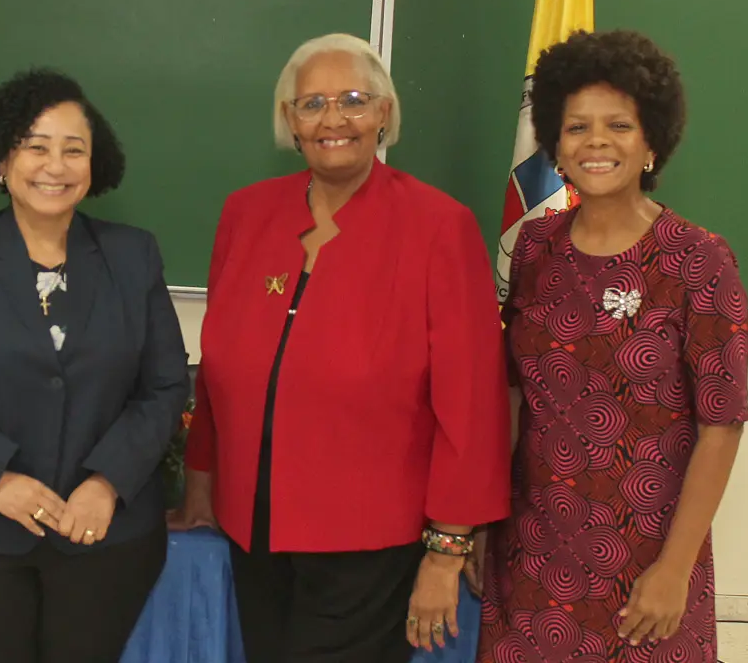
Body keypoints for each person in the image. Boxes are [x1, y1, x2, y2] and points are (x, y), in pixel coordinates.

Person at [170, 33, 512, 662]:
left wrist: (448, 548)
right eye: (312, 103)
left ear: (384, 113)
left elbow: (472, 402)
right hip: (256, 529)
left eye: (354, 100)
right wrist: (201, 483)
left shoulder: (439, 226)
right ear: (289, 121)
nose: (334, 119)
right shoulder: (246, 215)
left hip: (370, 542)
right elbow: (219, 366)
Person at [0, 68, 190, 663]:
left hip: (104, 537)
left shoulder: (134, 255)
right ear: (2, 159)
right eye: (36, 146)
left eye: (74, 149)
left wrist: (107, 483)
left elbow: (164, 384)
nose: (56, 165)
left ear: (94, 165)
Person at [476, 29, 748, 662]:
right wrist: (485, 524)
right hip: (532, 559)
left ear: (651, 140)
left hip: (647, 565)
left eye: (618, 125)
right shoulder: (535, 249)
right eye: (576, 128)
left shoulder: (698, 259)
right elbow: (515, 396)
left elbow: (722, 426)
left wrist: (674, 569)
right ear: (555, 143)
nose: (596, 141)